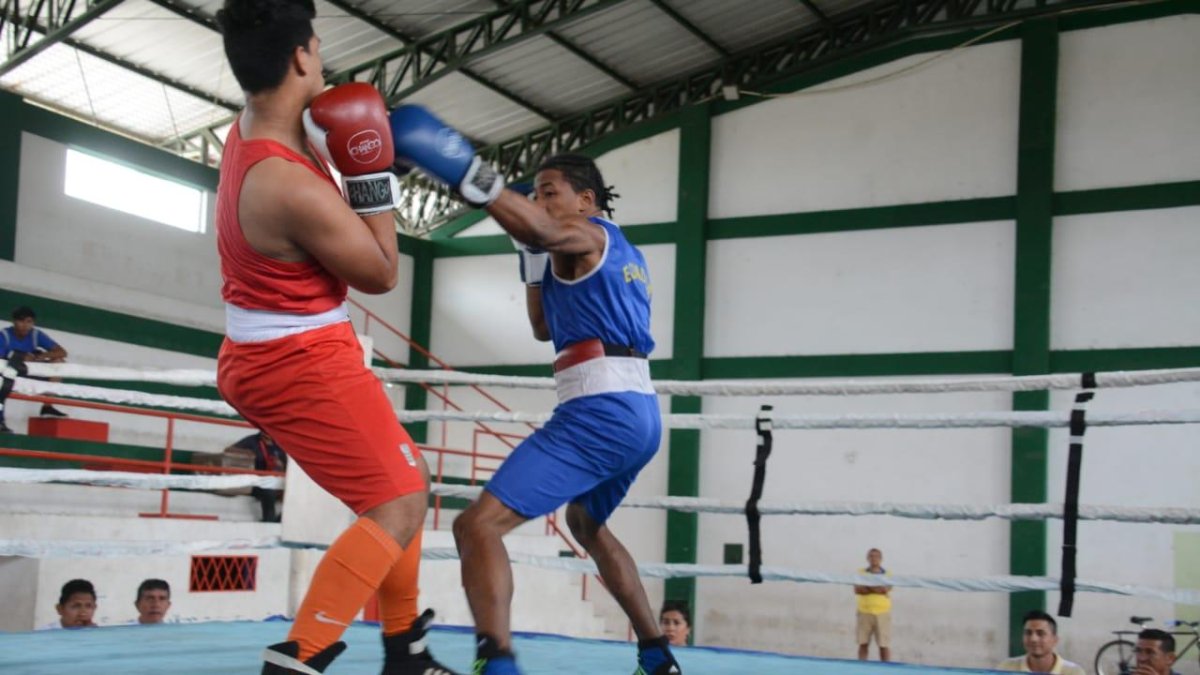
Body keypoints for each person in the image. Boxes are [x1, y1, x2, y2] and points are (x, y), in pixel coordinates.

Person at [389, 108, 680, 675]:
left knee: (476, 526)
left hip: (601, 411)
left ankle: (498, 663)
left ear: (587, 201)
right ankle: (656, 655)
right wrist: (530, 258)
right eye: (537, 194)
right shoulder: (617, 251)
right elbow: (543, 326)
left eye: (550, 192)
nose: (541, 202)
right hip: (636, 413)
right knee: (585, 525)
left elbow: (543, 231)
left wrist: (469, 174)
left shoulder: (587, 234)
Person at [214, 2, 454, 673]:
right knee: (400, 498)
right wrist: (373, 173)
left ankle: (406, 650)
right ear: (301, 57)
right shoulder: (286, 184)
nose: (321, 61)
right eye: (317, 49)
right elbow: (380, 272)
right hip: (295, 357)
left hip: (278, 345)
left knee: (404, 481)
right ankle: (299, 655)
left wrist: (349, 140)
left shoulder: (252, 127)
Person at [0, 305, 69, 428]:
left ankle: (47, 406)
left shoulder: (35, 334)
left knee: (59, 362)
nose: (25, 325)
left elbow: (62, 352)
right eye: (21, 321)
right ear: (14, 321)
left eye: (29, 322)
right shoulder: (4, 335)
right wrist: (20, 357)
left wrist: (39, 356)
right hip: (8, 373)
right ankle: (0, 420)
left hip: (28, 372)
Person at [996, 610, 1086, 674]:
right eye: (1028, 633)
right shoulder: (1006, 668)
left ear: (1055, 640)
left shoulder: (1073, 672)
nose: (1033, 639)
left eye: (1040, 633)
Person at [227, 430, 287, 522]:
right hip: (257, 483)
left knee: (297, 493)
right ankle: (268, 522)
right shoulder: (251, 440)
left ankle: (279, 521)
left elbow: (286, 465)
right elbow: (228, 451)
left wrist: (281, 464)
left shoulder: (279, 444)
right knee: (268, 490)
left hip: (276, 482)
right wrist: (249, 455)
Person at [854, 548, 892, 661]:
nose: (874, 558)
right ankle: (861, 667)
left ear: (881, 559)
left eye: (876, 556)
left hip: (882, 613)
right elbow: (857, 589)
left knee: (884, 644)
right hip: (864, 612)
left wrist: (867, 586)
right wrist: (877, 588)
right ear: (867, 558)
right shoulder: (861, 572)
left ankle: (886, 668)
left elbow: (885, 589)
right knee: (863, 643)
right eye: (871, 556)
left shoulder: (888, 574)